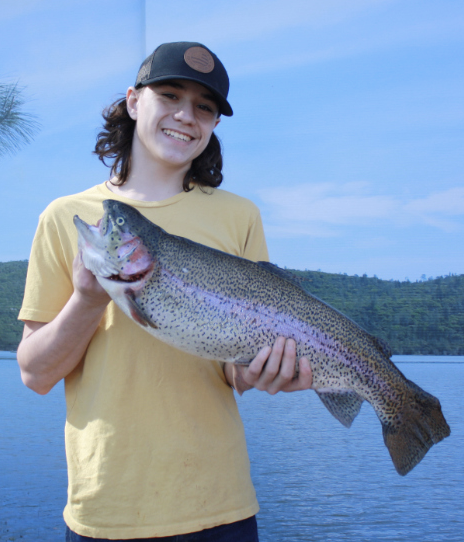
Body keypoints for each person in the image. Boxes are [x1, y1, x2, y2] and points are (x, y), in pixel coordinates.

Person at [17, 42, 312, 541]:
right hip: (104, 508)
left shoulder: (240, 216)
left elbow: (230, 370)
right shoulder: (67, 216)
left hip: (221, 505)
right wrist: (89, 299)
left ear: (215, 123)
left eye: (205, 107)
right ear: (134, 101)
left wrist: (265, 373)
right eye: (169, 95)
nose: (185, 115)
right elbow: (35, 373)